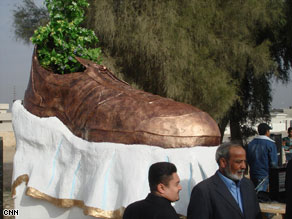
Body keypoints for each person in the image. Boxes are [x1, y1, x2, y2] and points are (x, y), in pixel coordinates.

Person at [187, 142, 262, 219]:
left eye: (245, 162)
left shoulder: (248, 185)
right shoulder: (203, 191)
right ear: (223, 162)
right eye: (238, 162)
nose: (244, 166)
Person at [247, 123, 278, 192]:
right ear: (267, 132)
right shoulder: (270, 144)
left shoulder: (251, 143)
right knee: (260, 196)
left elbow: (247, 159)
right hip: (264, 174)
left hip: (253, 173)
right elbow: (273, 163)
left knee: (254, 194)